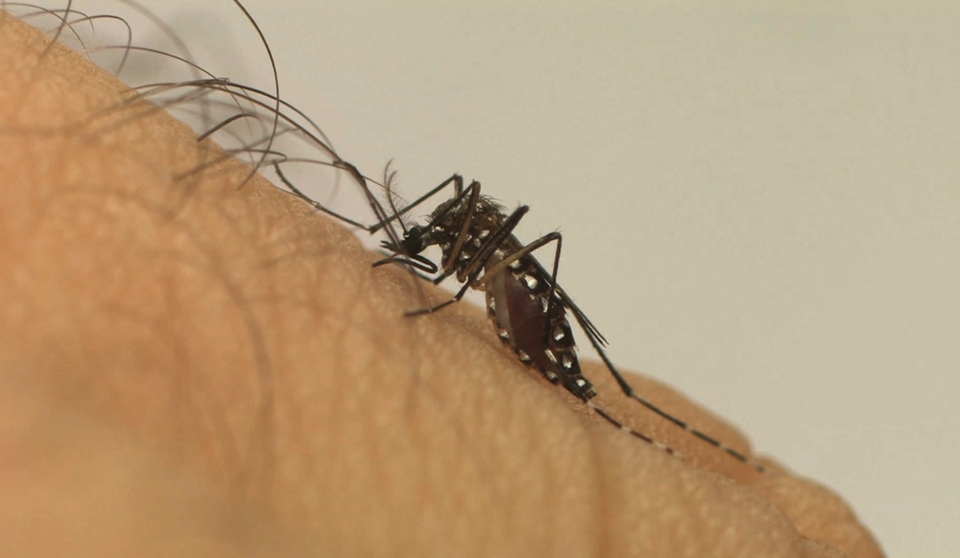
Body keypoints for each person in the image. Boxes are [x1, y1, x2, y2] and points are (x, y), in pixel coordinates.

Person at [0, 12, 883, 558]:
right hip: (504, 280)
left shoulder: (475, 249)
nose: (421, 244)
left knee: (519, 251)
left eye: (426, 238)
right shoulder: (447, 239)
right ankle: (601, 392)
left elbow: (485, 245)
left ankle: (598, 388)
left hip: (524, 291)